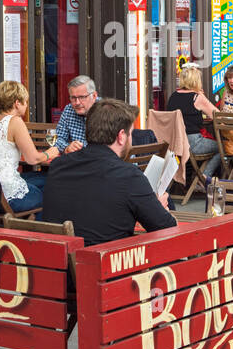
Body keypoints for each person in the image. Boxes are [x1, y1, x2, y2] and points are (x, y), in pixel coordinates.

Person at [42, 98, 176, 246]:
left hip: (58, 264)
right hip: (107, 264)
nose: (131, 140)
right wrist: (157, 206)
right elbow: (167, 228)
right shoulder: (129, 176)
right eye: (131, 134)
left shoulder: (58, 166)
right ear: (121, 136)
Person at [0, 80, 60, 214]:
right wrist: (52, 152)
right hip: (6, 197)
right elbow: (33, 159)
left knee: (42, 178)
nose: (26, 105)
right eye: (25, 102)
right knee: (53, 189)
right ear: (17, 103)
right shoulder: (15, 121)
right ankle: (35, 230)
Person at [167, 65, 222, 182]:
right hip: (193, 144)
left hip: (174, 144)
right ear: (196, 81)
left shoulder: (173, 96)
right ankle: (204, 178)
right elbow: (218, 116)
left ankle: (195, 179)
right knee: (223, 148)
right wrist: (203, 97)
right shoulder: (197, 97)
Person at [53, 75, 97, 153]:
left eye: (82, 97)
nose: (77, 103)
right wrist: (66, 147)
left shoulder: (105, 111)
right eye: (73, 98)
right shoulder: (69, 110)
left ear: (94, 96)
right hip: (76, 160)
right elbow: (58, 138)